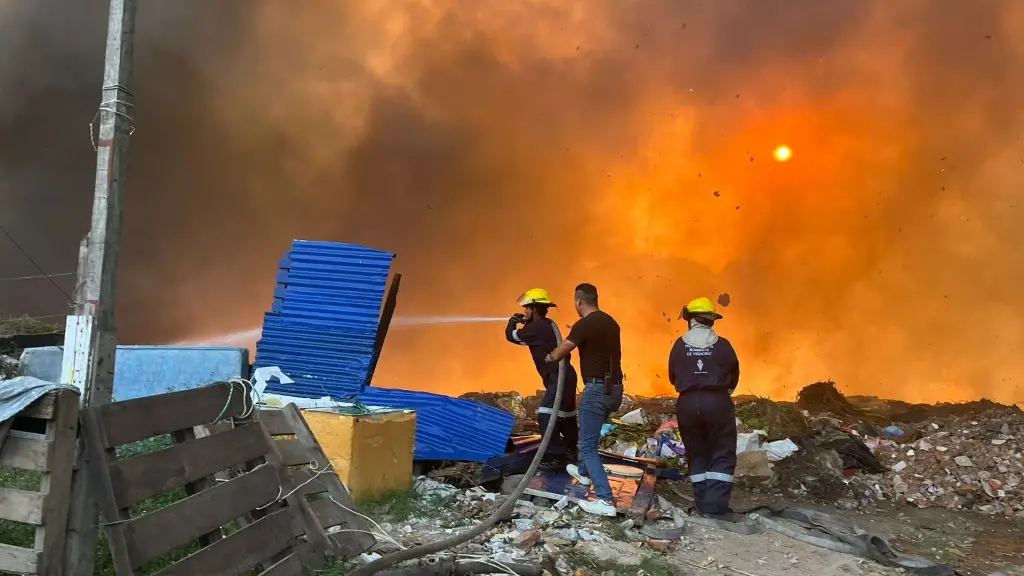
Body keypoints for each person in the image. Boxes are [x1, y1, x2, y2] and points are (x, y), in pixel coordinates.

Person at [546, 283, 622, 517]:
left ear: (579, 301)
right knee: (589, 435)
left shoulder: (585, 325)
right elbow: (595, 338)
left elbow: (561, 352)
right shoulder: (610, 322)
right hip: (615, 390)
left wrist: (550, 356)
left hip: (597, 390)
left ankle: (605, 500)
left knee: (588, 446)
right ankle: (584, 473)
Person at [668, 296, 740, 518]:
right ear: (712, 320)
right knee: (722, 450)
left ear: (689, 319)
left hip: (687, 403)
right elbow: (734, 376)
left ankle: (702, 503)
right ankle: (715, 507)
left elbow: (673, 376)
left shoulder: (679, 345)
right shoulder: (723, 345)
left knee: (696, 451)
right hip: (717, 401)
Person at [505, 288, 579, 466]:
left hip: (558, 376)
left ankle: (555, 455)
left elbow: (512, 337)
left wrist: (512, 322)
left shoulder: (537, 327)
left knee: (546, 413)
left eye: (526, 308)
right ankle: (570, 450)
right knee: (566, 415)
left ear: (534, 309)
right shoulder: (545, 325)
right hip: (565, 375)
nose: (524, 312)